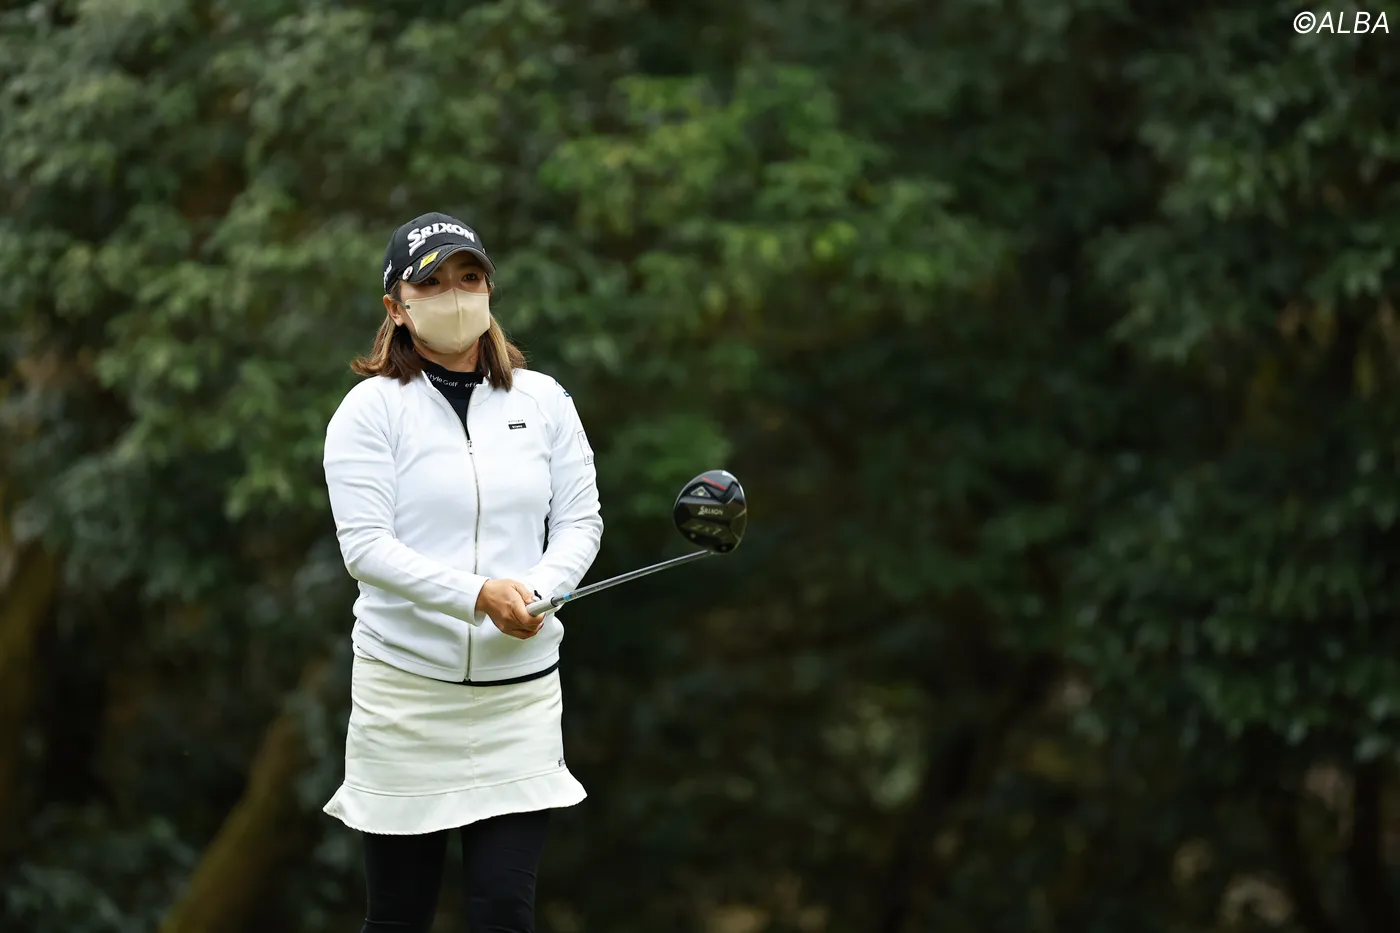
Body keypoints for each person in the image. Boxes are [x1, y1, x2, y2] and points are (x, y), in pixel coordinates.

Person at [320, 211, 604, 932]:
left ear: (489, 289)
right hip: (406, 696)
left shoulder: (544, 401)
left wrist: (537, 592)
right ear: (396, 306)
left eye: (469, 277)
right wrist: (478, 595)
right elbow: (367, 548)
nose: (455, 295)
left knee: (505, 910)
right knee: (400, 916)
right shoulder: (370, 411)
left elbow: (581, 522)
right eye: (432, 282)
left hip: (518, 699)